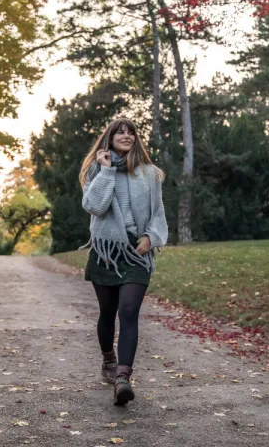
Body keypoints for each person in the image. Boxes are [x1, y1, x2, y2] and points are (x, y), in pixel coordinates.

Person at [79, 118, 168, 406]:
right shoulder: (96, 169)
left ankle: (122, 378)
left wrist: (151, 237)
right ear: (110, 137)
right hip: (106, 250)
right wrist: (106, 170)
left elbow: (158, 213)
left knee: (128, 311)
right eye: (120, 131)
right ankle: (109, 359)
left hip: (138, 252)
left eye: (131, 132)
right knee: (108, 311)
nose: (126, 135)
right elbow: (94, 206)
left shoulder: (149, 174)